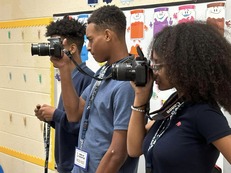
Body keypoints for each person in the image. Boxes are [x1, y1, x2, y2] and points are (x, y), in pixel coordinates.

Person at [127, 21, 231, 173]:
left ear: (182, 65)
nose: (153, 71)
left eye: (158, 65)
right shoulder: (177, 102)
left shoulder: (203, 112)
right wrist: (140, 97)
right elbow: (134, 148)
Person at [49, 5, 139, 173]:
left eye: (91, 39)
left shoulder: (129, 81)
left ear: (107, 35)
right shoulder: (104, 71)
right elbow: (74, 113)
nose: (88, 47)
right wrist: (63, 67)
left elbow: (117, 153)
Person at [34, 15, 94, 173]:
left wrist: (56, 114)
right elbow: (67, 122)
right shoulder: (68, 77)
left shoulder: (88, 80)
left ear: (72, 48)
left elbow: (81, 127)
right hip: (63, 163)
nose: (51, 49)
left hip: (76, 165)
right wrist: (50, 117)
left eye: (56, 44)